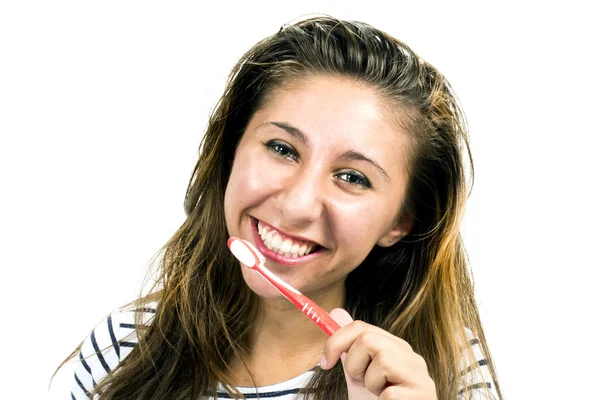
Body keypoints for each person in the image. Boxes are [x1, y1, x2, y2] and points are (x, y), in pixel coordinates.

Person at [56, 15, 502, 400]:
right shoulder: (125, 348)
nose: (297, 204)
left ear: (400, 223)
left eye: (353, 177)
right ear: (231, 150)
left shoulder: (440, 374)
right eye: (282, 148)